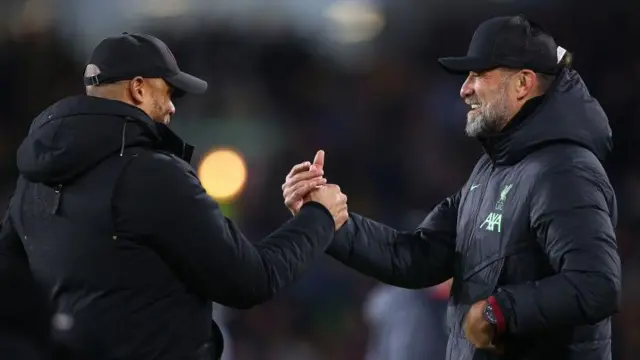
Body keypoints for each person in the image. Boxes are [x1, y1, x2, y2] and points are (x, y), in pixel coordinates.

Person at [282, 15, 621, 360]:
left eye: (479, 74)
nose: (464, 89)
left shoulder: (564, 170)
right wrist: (328, 219)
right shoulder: (490, 171)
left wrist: (499, 311)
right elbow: (416, 256)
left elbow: (596, 285)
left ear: (523, 83)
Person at [0, 32, 349, 360]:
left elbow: (11, 288)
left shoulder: (32, 183)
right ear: (138, 89)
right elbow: (250, 281)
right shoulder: (151, 174)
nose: (172, 108)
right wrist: (318, 218)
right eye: (168, 92)